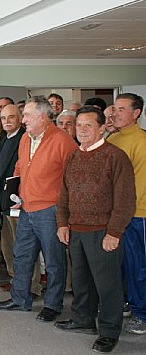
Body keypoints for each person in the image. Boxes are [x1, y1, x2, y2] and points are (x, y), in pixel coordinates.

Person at [54, 106, 136, 353]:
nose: (82, 130)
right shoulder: (73, 156)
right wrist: (62, 223)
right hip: (76, 231)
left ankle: (109, 332)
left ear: (101, 128)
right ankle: (83, 320)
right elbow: (64, 194)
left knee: (107, 285)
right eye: (79, 125)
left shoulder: (115, 156)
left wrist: (114, 232)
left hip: (103, 232)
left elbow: (125, 200)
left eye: (88, 125)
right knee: (81, 282)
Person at [0, 96, 78, 322]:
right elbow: (20, 167)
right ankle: (20, 298)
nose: (23, 120)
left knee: (53, 260)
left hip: (51, 211)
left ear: (42, 117)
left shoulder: (62, 141)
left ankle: (53, 304)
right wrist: (16, 193)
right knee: (22, 255)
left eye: (27, 116)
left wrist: (65, 213)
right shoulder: (25, 138)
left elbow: (73, 178)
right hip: (26, 208)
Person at [107, 93, 146, 335]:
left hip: (137, 214)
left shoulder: (141, 141)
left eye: (121, 109)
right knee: (120, 264)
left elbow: (139, 184)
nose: (115, 113)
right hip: (115, 214)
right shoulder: (114, 137)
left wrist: (126, 213)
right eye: (114, 109)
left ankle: (141, 313)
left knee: (138, 265)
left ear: (136, 113)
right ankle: (127, 302)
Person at [0, 105, 42, 297]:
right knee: (8, 245)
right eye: (3, 118)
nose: (7, 121)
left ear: (20, 118)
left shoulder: (26, 138)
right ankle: (15, 279)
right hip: (5, 201)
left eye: (11, 117)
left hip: (19, 201)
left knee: (25, 246)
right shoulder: (4, 139)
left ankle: (32, 285)